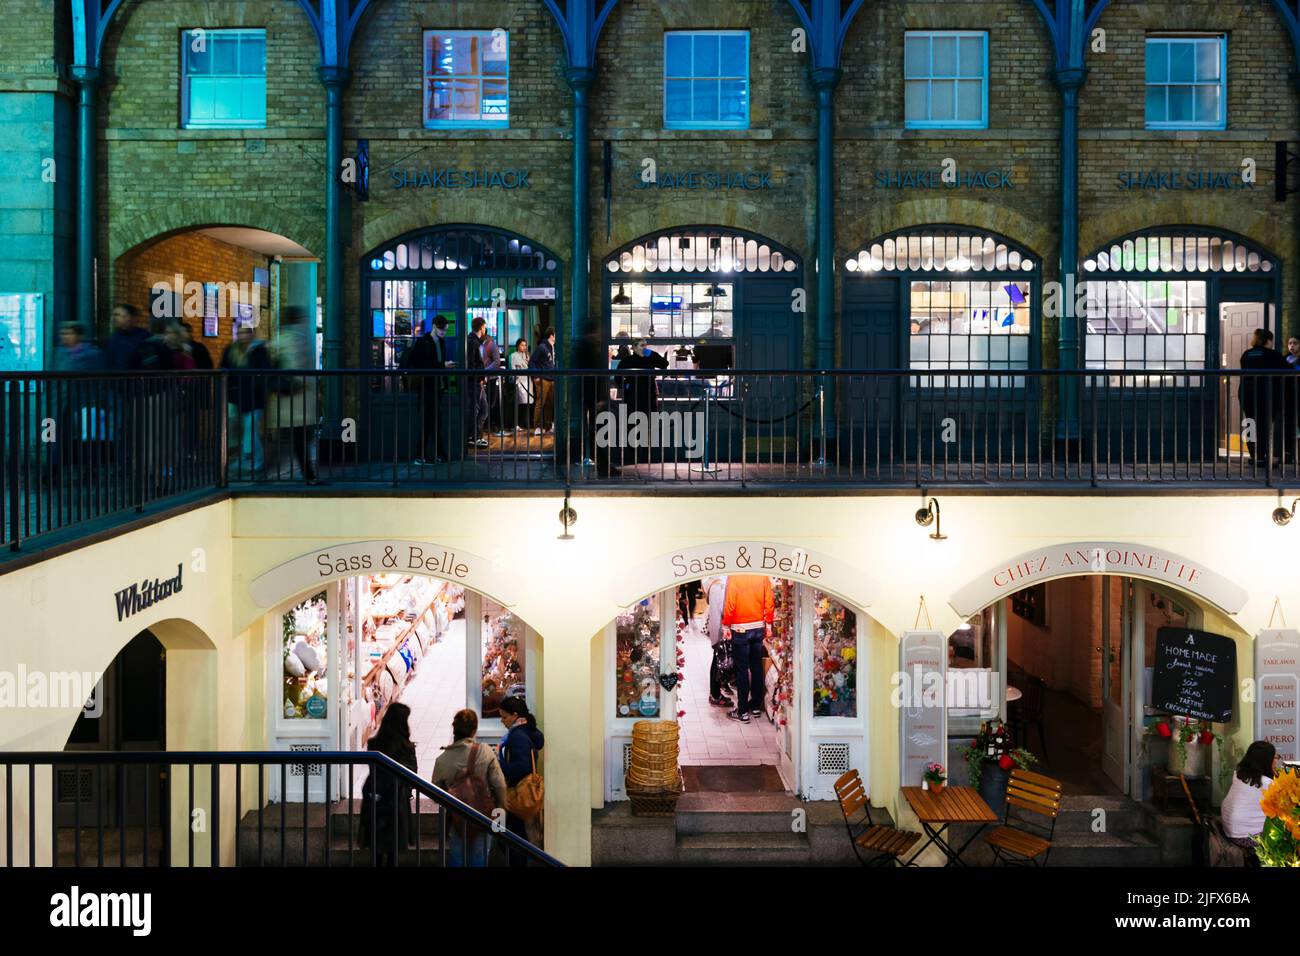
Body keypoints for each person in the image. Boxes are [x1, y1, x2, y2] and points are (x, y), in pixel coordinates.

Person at [431, 709, 507, 867]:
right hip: (483, 815)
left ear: (454, 729)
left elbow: (435, 792)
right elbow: (499, 784)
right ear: (474, 729)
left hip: (457, 817)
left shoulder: (442, 760)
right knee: (480, 856)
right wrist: (500, 810)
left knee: (457, 856)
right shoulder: (485, 751)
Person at [359, 702, 419, 865]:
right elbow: (413, 774)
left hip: (375, 798)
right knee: (393, 849)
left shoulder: (374, 744)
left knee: (376, 847)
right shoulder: (406, 747)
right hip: (396, 800)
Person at [268, 306, 320, 483]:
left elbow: (273, 364)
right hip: (298, 396)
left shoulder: (279, 340)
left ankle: (268, 472)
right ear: (297, 319)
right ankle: (308, 475)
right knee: (299, 439)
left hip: (286, 398)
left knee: (288, 439)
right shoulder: (300, 340)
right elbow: (302, 366)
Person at [497, 695, 544, 866]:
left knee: (509, 837)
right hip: (523, 793)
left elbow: (522, 766)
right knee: (518, 836)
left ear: (515, 715)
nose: (502, 721)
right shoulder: (528, 731)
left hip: (516, 794)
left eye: (504, 717)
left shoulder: (518, 736)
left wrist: (499, 766)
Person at [220, 322, 272, 476]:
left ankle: (257, 459)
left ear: (251, 334)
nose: (243, 336)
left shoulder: (259, 350)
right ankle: (244, 457)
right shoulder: (231, 350)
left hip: (254, 397)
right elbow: (224, 368)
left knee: (250, 428)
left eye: (245, 333)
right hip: (236, 396)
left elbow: (265, 371)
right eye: (240, 333)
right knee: (238, 427)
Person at [721, 573, 774, 723]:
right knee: (756, 666)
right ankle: (755, 706)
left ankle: (742, 711)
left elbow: (730, 603)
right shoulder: (763, 576)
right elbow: (769, 602)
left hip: (740, 628)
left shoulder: (735, 577)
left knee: (742, 669)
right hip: (758, 626)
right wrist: (768, 624)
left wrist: (726, 625)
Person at [403, 316, 456, 464]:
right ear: (434, 326)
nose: (443, 332)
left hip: (436, 388)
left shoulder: (439, 342)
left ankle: (432, 455)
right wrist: (443, 366)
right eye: (441, 329)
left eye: (445, 330)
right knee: (429, 423)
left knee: (434, 423)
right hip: (427, 388)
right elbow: (423, 364)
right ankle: (426, 455)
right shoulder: (423, 343)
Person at [1220, 740, 1280, 861]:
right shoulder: (1267, 784)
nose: (1276, 760)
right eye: (1275, 758)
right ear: (1266, 761)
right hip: (1245, 836)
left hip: (1229, 829)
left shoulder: (1238, 775)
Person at [1239, 329, 1291, 465]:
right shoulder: (1273, 355)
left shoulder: (1247, 354)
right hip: (1266, 394)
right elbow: (1289, 370)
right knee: (1265, 424)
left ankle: (1254, 456)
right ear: (1268, 340)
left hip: (1246, 393)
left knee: (1251, 423)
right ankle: (1264, 456)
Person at [702, 575, 732, 708]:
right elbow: (722, 611)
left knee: (717, 661)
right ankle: (715, 695)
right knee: (718, 662)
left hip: (718, 630)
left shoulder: (713, 584)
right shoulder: (718, 586)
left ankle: (716, 692)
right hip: (721, 630)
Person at [464, 316, 490, 448]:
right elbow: (473, 364)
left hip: (475, 381)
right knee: (479, 409)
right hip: (474, 382)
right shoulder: (473, 342)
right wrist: (479, 378)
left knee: (481, 409)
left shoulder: (472, 341)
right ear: (481, 327)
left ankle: (475, 436)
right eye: (484, 327)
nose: (485, 329)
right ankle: (473, 437)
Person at [529, 327, 556, 434]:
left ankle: (548, 426)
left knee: (549, 404)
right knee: (540, 403)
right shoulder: (542, 347)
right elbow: (532, 362)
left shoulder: (552, 347)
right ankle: (537, 426)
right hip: (543, 379)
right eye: (555, 334)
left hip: (552, 379)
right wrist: (536, 376)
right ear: (551, 335)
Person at [107, 304, 148, 371]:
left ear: (129, 317)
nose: (113, 318)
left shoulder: (144, 337)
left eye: (117, 315)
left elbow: (150, 366)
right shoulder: (114, 337)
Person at [508, 337, 533, 431]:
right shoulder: (513, 355)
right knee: (518, 403)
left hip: (527, 380)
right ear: (518, 346)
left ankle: (525, 423)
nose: (524, 347)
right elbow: (512, 368)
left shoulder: (527, 356)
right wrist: (516, 380)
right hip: (519, 381)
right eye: (522, 345)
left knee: (527, 403)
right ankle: (516, 424)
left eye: (525, 345)